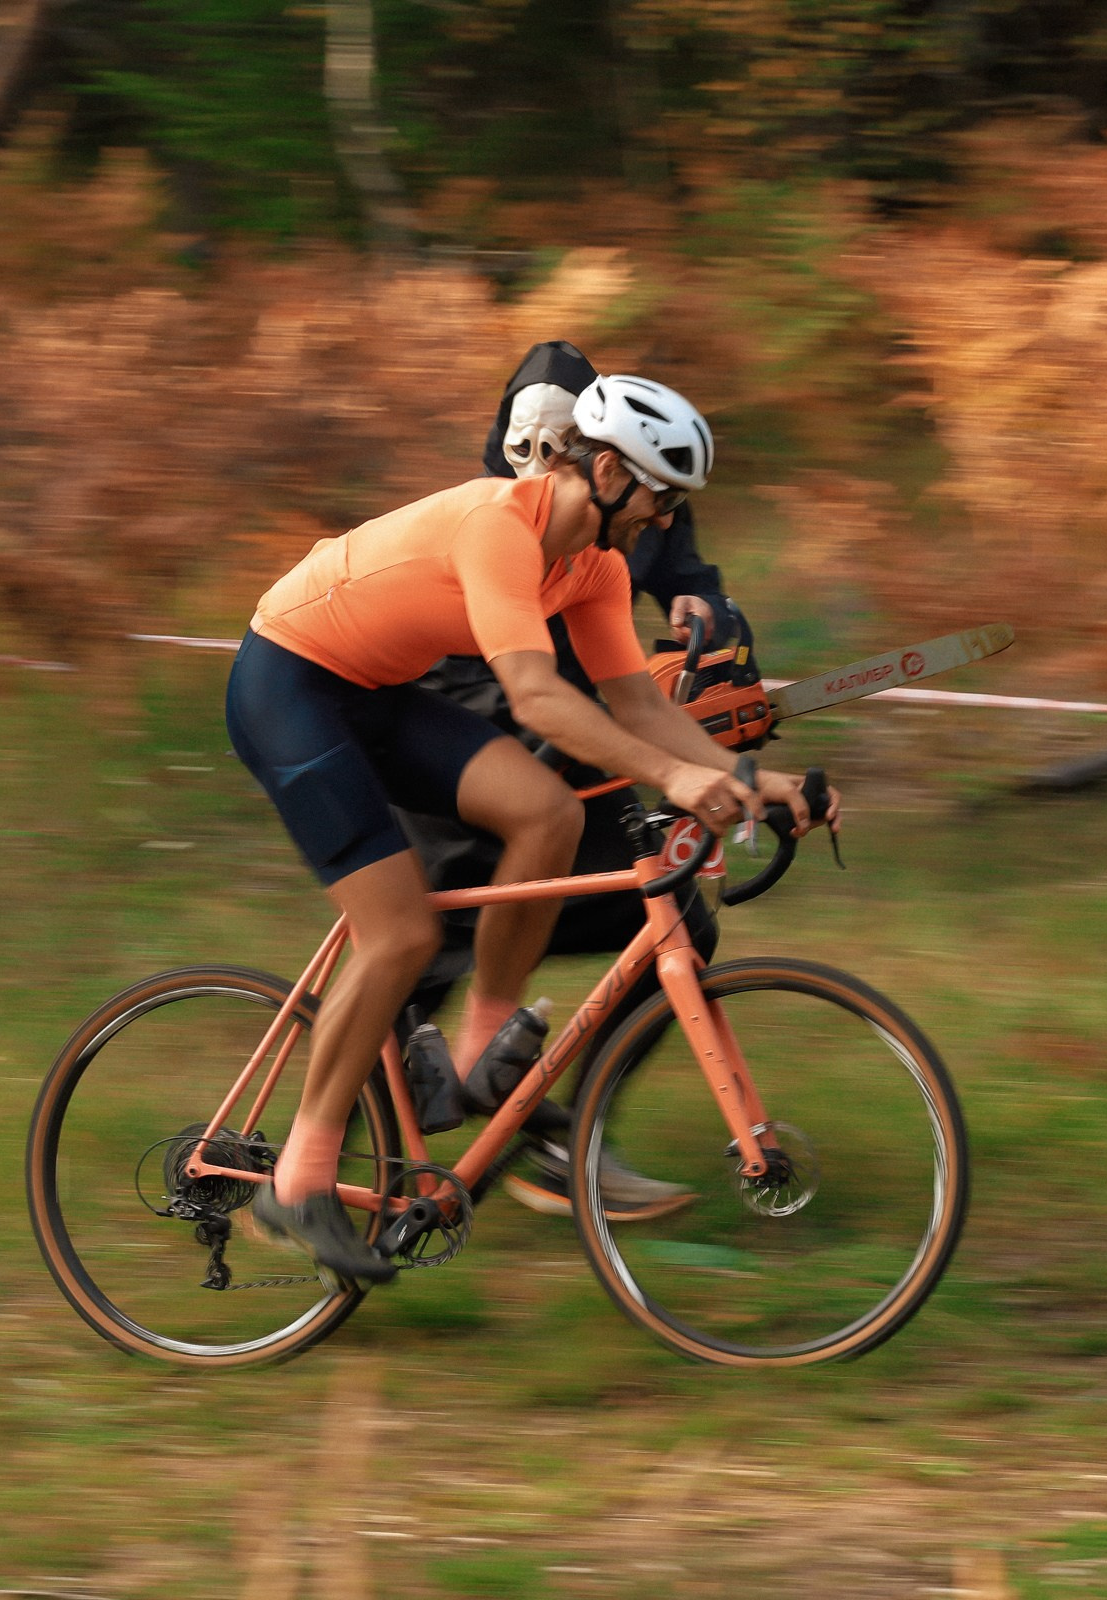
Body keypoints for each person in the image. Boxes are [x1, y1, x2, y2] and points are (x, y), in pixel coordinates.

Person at [225, 374, 835, 1284]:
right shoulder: (498, 527)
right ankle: (298, 1180)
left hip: (377, 693)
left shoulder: (595, 565)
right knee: (401, 934)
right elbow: (536, 698)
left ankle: (481, 1049)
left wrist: (755, 782)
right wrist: (674, 777)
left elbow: (637, 705)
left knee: (547, 813)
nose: (666, 519)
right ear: (605, 472)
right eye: (660, 496)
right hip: (291, 684)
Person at [398, 341, 752, 1216]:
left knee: (675, 926)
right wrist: (627, 742)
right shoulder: (495, 519)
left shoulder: (632, 506)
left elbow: (680, 582)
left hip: (582, 745)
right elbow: (499, 676)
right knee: (415, 957)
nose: (545, 463)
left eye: (563, 447)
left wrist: (705, 614)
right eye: (530, 448)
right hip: (464, 743)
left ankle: (565, 1141)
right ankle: (324, 1169)